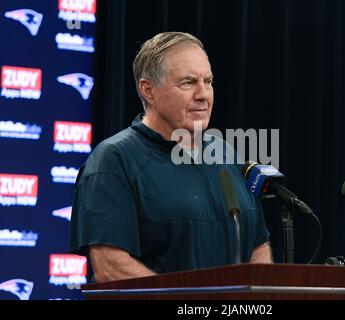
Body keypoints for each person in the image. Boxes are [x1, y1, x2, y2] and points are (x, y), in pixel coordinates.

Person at [70, 32, 272, 283]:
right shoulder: (113, 160)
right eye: (188, 83)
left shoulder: (226, 154)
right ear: (148, 91)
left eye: (207, 81)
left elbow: (258, 244)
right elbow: (111, 267)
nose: (203, 94)